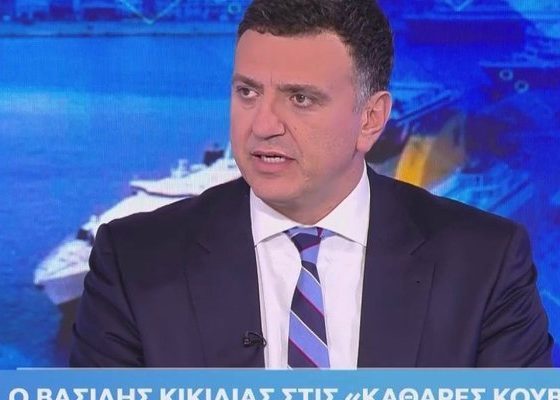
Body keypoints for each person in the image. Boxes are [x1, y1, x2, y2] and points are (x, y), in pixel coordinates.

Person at [70, 0, 553, 367]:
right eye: (247, 92)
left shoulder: (487, 263)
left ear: (370, 119)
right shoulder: (132, 261)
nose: (262, 125)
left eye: (300, 98)